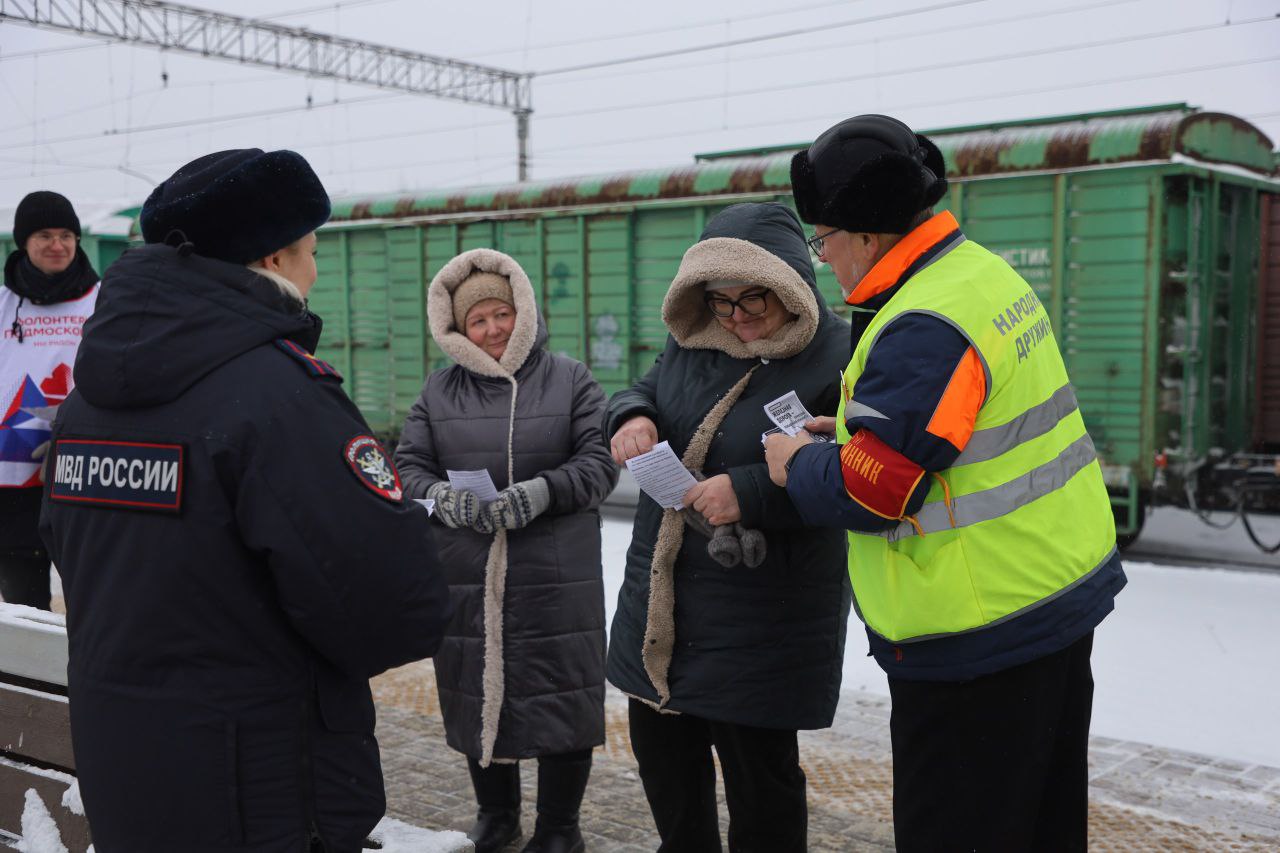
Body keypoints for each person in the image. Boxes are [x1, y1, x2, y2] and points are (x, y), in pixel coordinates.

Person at [38, 149, 452, 853]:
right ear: (272, 259)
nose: (316, 270)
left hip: (127, 772)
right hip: (256, 791)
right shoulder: (279, 398)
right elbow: (390, 613)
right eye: (311, 250)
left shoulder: (87, 404)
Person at [765, 114, 1128, 852]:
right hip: (1050, 599)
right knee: (1042, 824)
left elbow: (878, 494)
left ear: (868, 235)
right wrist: (850, 434)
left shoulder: (922, 322)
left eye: (824, 239)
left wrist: (796, 465)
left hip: (977, 639)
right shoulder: (976, 273)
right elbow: (954, 431)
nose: (825, 258)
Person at [606, 202, 851, 852]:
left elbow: (854, 477)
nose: (737, 317)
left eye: (754, 301)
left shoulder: (839, 356)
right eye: (721, 301)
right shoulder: (690, 341)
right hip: (666, 606)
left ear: (792, 288)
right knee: (667, 773)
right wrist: (630, 418)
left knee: (761, 790)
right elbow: (645, 389)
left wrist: (746, 492)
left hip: (760, 622)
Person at [394, 247, 618, 853]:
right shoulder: (439, 392)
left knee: (561, 694)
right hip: (468, 569)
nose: (493, 329)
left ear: (524, 310)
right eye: (478, 320)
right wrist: (443, 498)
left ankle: (559, 828)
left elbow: (599, 464)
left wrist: (546, 491)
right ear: (458, 329)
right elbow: (407, 467)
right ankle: (497, 816)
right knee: (475, 687)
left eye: (502, 313)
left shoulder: (571, 379)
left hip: (556, 570)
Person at [1, 191, 99, 610]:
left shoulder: (104, 298)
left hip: (85, 466)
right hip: (13, 476)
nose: (57, 245)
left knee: (92, 590)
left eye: (66, 235)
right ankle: (34, 677)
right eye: (44, 235)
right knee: (24, 600)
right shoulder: (5, 304)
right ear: (24, 242)